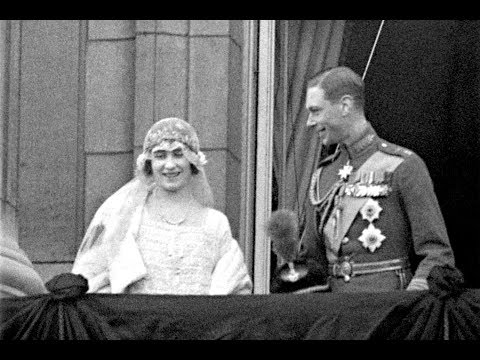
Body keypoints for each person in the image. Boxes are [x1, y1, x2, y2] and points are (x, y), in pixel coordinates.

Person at [280, 66, 455, 292]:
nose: (310, 122)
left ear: (345, 105)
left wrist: (408, 305)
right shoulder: (323, 175)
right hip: (337, 313)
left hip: (388, 310)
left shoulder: (403, 166)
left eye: (316, 111)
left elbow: (436, 254)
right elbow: (315, 261)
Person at [72, 117, 252, 295]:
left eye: (178, 154)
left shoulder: (215, 223)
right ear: (149, 164)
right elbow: (92, 280)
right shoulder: (126, 219)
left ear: (193, 161)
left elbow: (238, 291)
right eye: (160, 156)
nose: (170, 165)